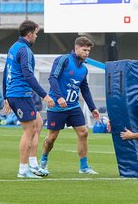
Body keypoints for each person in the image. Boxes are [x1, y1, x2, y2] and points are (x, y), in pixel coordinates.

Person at [40, 36, 100, 175]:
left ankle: (84, 167)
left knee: (84, 132)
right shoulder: (64, 60)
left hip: (73, 107)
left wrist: (92, 108)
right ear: (77, 48)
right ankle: (43, 161)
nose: (87, 53)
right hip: (57, 106)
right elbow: (52, 77)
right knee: (52, 137)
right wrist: (59, 97)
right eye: (84, 50)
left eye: (88, 51)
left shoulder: (84, 69)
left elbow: (84, 89)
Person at [2, 20, 55, 179]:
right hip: (20, 94)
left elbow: (6, 71)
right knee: (29, 130)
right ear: (30, 33)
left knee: (38, 124)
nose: (37, 36)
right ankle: (23, 170)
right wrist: (44, 95)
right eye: (36, 33)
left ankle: (33, 164)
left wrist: (5, 96)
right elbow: (28, 75)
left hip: (17, 93)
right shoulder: (25, 50)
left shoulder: (14, 47)